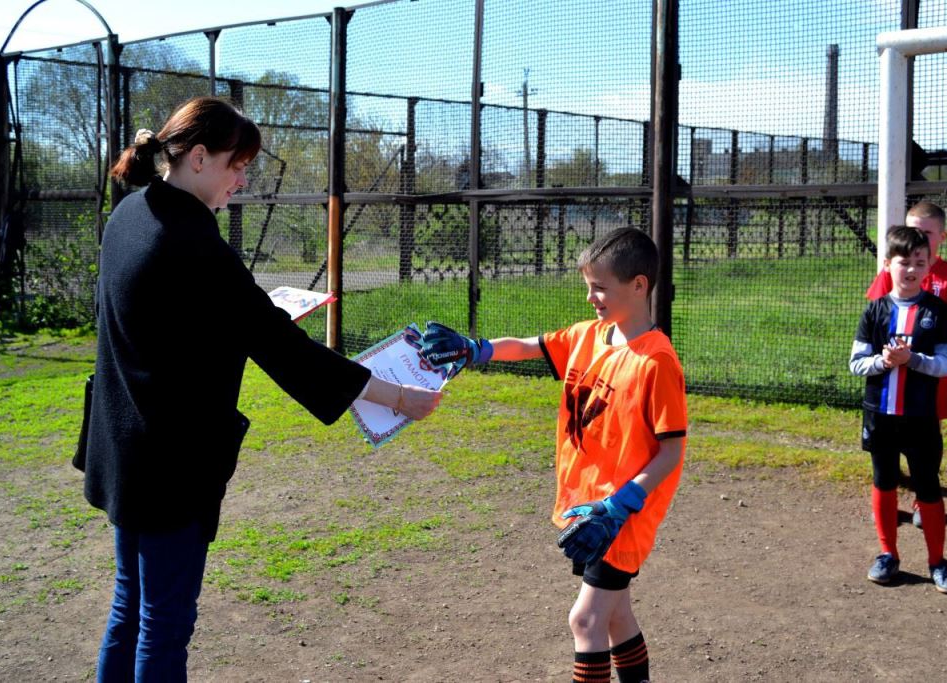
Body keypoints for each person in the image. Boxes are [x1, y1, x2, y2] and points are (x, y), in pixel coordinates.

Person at [85, 96, 442, 682]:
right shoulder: (194, 242)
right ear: (199, 157)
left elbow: (155, 320)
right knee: (163, 624)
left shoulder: (131, 212)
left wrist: (234, 320)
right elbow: (283, 350)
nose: (242, 180)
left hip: (123, 448)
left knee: (131, 606)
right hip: (169, 462)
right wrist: (400, 397)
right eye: (238, 165)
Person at [418, 227, 686, 683]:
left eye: (600, 288)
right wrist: (477, 349)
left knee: (586, 620)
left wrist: (619, 505)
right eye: (588, 287)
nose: (591, 298)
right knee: (616, 615)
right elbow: (529, 346)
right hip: (588, 507)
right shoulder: (589, 336)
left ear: (639, 285)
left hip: (620, 516)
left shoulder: (655, 362)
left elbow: (671, 451)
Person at [849, 225, 947, 594]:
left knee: (927, 485)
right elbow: (856, 363)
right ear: (887, 265)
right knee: (884, 480)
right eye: (903, 262)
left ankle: (938, 562)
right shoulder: (874, 311)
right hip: (880, 416)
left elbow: (946, 363)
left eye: (919, 262)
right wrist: (883, 362)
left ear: (928, 266)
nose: (911, 269)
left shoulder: (936, 311)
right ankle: (888, 554)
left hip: (921, 417)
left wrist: (912, 359)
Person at [865, 201, 947, 528]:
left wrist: (927, 319)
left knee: (928, 438)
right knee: (887, 440)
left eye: (926, 232)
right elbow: (877, 313)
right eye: (913, 230)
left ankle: (923, 499)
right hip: (893, 372)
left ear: (942, 236)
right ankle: (887, 495)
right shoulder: (893, 269)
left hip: (930, 371)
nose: (918, 237)